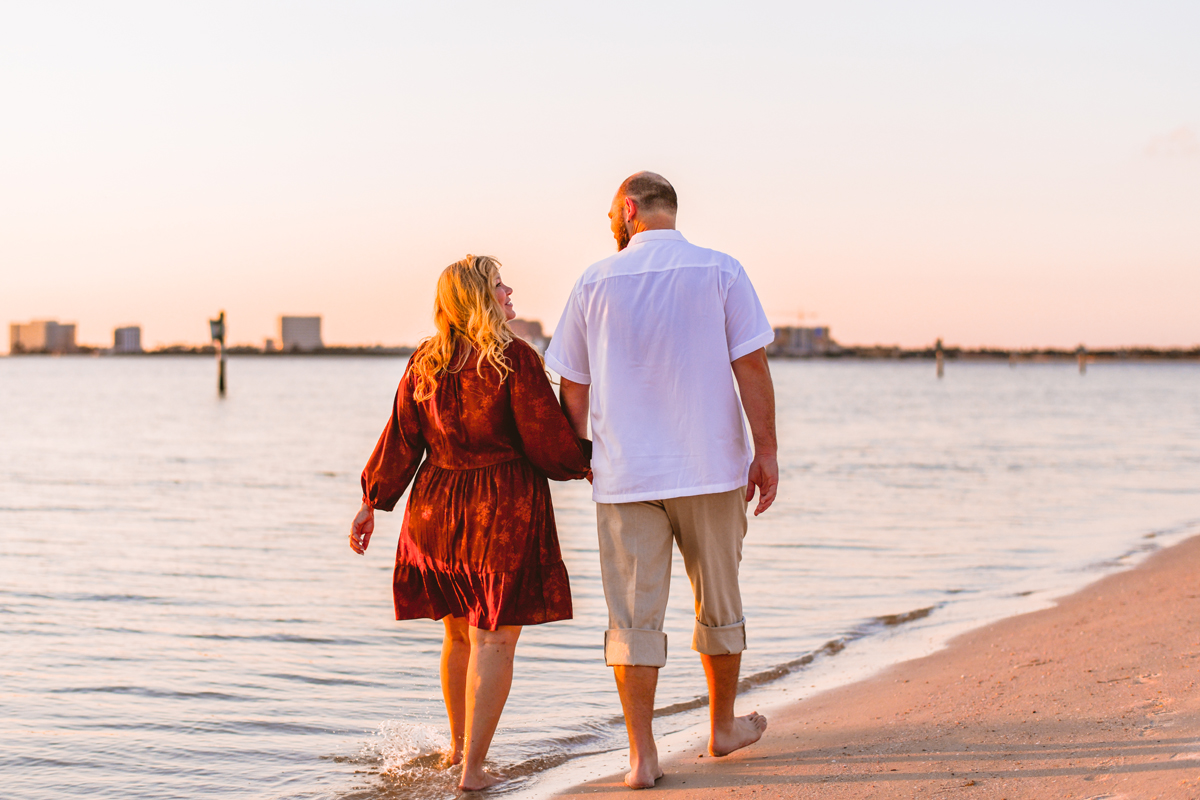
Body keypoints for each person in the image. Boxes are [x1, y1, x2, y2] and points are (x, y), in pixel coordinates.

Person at [546, 172, 779, 789]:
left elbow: (573, 383)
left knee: (632, 618)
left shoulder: (593, 281)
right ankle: (722, 727)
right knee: (719, 602)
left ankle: (642, 757)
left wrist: (582, 450)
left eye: (611, 217)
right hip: (711, 468)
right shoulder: (722, 270)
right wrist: (768, 452)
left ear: (628, 209)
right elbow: (750, 364)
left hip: (625, 476)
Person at [350, 255, 591, 791]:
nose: (510, 292)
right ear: (479, 297)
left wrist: (371, 500)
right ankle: (474, 771)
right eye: (500, 285)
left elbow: (401, 438)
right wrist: (586, 461)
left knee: (458, 639)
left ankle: (457, 752)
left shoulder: (425, 361)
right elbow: (547, 443)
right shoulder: (514, 360)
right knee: (495, 641)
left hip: (435, 510)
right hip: (500, 510)